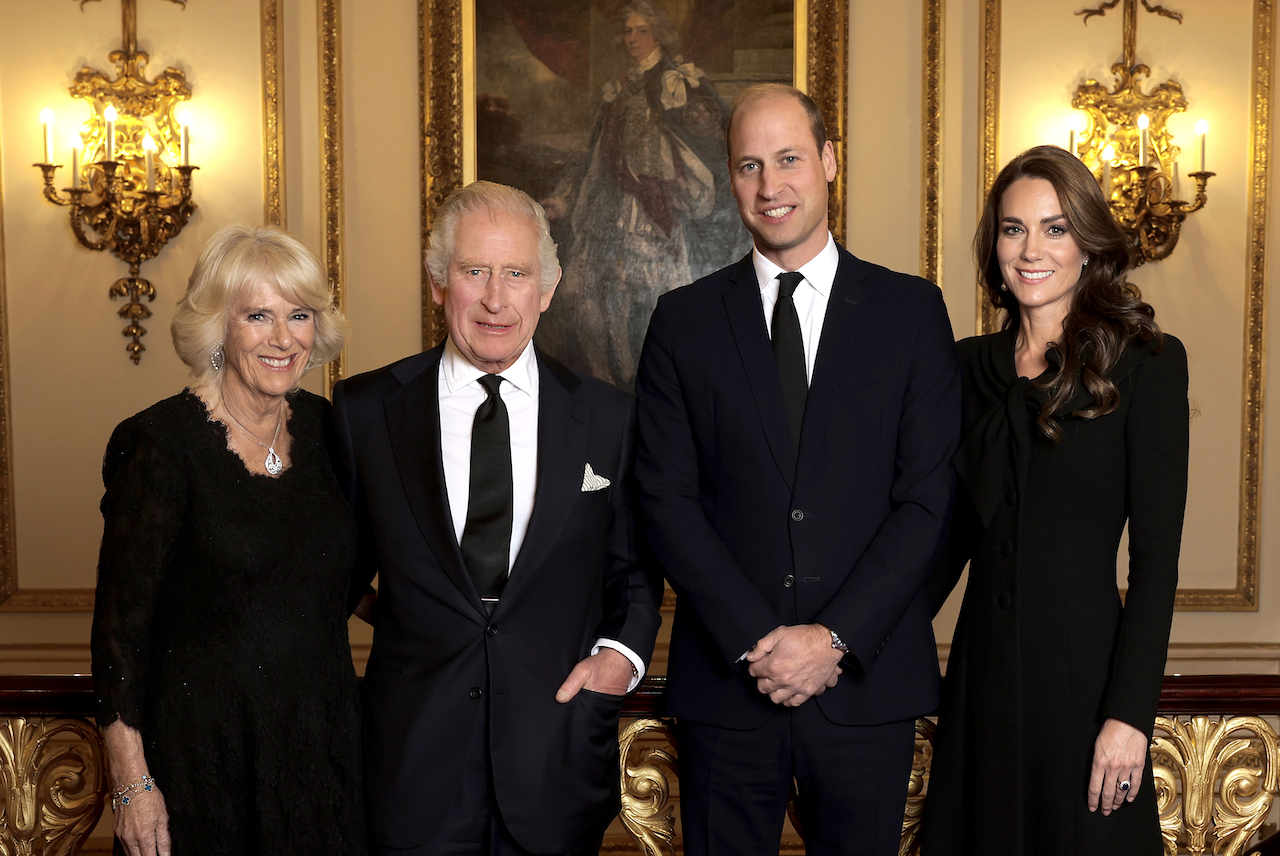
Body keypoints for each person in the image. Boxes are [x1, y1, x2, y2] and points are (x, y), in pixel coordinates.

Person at [634, 83, 962, 856]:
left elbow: (926, 501)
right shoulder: (683, 322)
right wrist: (758, 640)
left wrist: (833, 639)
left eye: (788, 160)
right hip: (727, 691)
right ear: (730, 179)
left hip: (866, 687)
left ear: (829, 161)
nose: (770, 185)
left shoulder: (911, 313)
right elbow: (666, 499)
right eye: (749, 166)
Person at [331, 180, 663, 856]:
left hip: (556, 758)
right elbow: (327, 567)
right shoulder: (364, 411)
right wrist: (400, 616)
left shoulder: (609, 418)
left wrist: (617, 662)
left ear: (547, 286)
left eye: (515, 274)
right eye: (473, 271)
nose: (494, 298)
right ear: (436, 282)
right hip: (410, 764)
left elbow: (633, 573)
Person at [921, 145, 1189, 855]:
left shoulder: (1146, 363)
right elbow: (939, 541)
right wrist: (846, 642)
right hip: (981, 683)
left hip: (1085, 688)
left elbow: (1158, 564)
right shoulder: (961, 366)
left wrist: (1129, 717)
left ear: (1088, 243)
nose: (1031, 249)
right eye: (1014, 229)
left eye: (1054, 228)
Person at [90, 225, 364, 856]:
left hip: (323, 753)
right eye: (257, 316)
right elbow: (119, 633)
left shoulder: (331, 432)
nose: (282, 337)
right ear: (217, 327)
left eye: (298, 315)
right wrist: (131, 784)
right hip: (200, 759)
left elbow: (338, 574)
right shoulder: (158, 444)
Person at [540, 0, 745, 387]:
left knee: (654, 301)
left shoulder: (678, 81)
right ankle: (607, 381)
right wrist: (566, 198)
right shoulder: (619, 87)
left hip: (654, 208)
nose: (632, 38)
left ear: (660, 35)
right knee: (585, 293)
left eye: (641, 31)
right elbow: (595, 152)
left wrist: (668, 166)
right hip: (606, 207)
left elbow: (710, 142)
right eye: (628, 31)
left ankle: (655, 382)